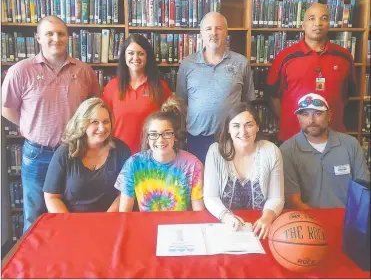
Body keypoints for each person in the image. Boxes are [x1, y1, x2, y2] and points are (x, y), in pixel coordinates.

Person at [1, 16, 101, 231]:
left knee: (73, 211)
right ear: (38, 37)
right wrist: (30, 125)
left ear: (68, 37)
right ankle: (37, 263)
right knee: (35, 215)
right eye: (49, 34)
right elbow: (6, 108)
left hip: (75, 153)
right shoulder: (20, 71)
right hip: (38, 154)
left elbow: (94, 106)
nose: (56, 38)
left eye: (61, 33)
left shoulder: (84, 71)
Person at [266, 3, 356, 142]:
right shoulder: (285, 57)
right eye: (312, 18)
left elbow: (346, 95)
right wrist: (292, 119)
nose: (318, 23)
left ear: (329, 24)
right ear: (303, 25)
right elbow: (273, 97)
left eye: (324, 18)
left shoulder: (344, 57)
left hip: (333, 137)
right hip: (293, 137)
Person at [176, 12, 255, 164]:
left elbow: (247, 102)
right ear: (201, 34)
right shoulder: (187, 64)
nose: (213, 33)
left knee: (231, 182)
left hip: (232, 136)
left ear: (226, 33)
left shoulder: (241, 63)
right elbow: (181, 102)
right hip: (197, 138)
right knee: (202, 183)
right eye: (208, 29)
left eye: (218, 28)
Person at [204, 102, 284, 239]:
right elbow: (210, 197)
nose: (243, 131)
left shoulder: (271, 151)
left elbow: (276, 197)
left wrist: (267, 218)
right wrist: (226, 217)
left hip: (260, 228)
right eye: (236, 126)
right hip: (224, 226)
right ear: (228, 129)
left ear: (257, 127)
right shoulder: (215, 152)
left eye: (249, 125)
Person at [115, 97, 205, 212]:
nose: (160, 140)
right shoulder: (133, 164)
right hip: (145, 226)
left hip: (179, 227)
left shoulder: (192, 165)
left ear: (175, 136)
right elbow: (124, 213)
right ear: (147, 138)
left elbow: (199, 212)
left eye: (166, 133)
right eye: (153, 134)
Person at [280, 93, 370, 208]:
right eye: (305, 114)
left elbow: (362, 190)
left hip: (347, 220)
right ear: (298, 118)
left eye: (318, 113)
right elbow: (293, 199)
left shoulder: (351, 145)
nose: (311, 120)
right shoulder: (286, 150)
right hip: (307, 221)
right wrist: (317, 222)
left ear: (329, 116)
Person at [43, 98, 131, 213]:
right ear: (82, 124)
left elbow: (124, 194)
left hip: (110, 220)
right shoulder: (64, 152)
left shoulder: (121, 150)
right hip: (72, 223)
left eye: (106, 122)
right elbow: (52, 197)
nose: (102, 128)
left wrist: (106, 220)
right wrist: (69, 224)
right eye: (94, 122)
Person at [103, 34, 172, 154]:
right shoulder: (112, 86)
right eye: (130, 53)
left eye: (141, 53)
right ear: (124, 56)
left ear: (147, 57)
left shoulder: (160, 86)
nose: (135, 57)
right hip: (118, 154)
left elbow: (170, 120)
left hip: (152, 153)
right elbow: (103, 119)